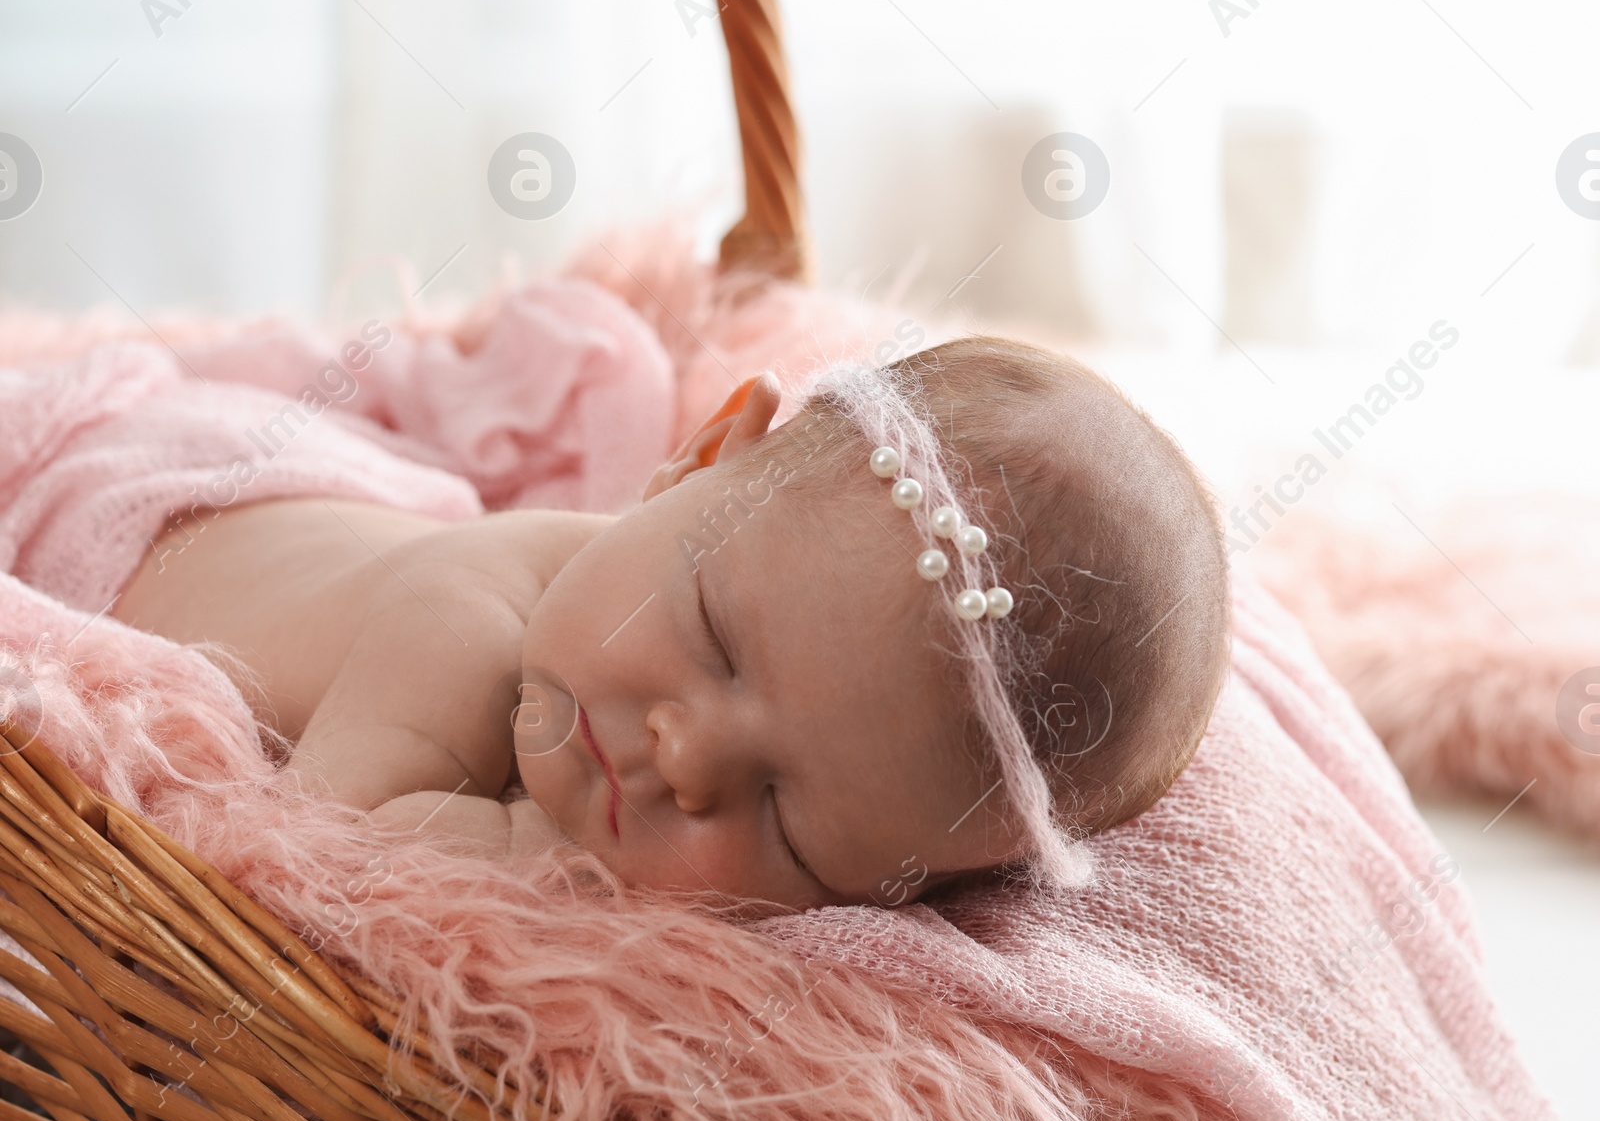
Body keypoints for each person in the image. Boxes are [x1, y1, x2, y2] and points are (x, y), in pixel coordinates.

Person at [113, 338, 1229, 910]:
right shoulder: (460, 617)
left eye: (788, 828)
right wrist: (558, 863)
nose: (686, 756)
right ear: (699, 455)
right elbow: (313, 855)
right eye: (714, 638)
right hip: (130, 501)